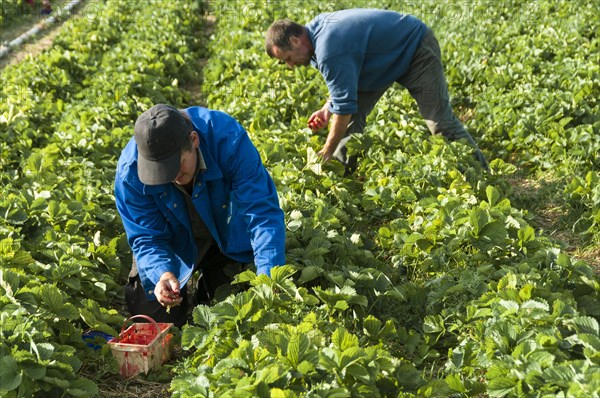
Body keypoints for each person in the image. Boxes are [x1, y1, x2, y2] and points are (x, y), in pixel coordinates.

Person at [114, 104, 286, 327]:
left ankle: (212, 277)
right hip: (172, 240)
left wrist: (268, 281)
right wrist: (162, 274)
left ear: (194, 140)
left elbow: (261, 214)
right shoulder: (131, 173)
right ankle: (180, 286)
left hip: (222, 232)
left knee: (233, 307)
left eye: (177, 165)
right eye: (161, 172)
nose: (172, 177)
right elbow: (147, 237)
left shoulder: (228, 139)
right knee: (157, 320)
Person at [265, 8, 489, 173]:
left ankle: (481, 174)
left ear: (295, 40)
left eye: (288, 59)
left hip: (414, 48)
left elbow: (343, 106)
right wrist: (327, 108)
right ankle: (342, 175)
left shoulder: (328, 47)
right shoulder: (314, 35)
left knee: (439, 122)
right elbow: (343, 83)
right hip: (379, 61)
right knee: (352, 122)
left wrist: (326, 151)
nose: (291, 65)